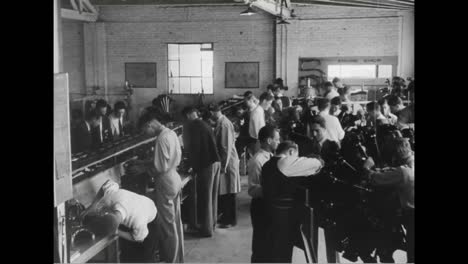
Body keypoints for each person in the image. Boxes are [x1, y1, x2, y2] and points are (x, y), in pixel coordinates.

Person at [126, 112, 184, 262]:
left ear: (149, 125)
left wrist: (143, 169)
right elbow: (165, 159)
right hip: (174, 178)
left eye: (145, 131)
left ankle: (171, 260)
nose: (146, 134)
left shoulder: (161, 138)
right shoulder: (171, 133)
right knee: (174, 222)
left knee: (167, 226)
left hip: (165, 182)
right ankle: (177, 258)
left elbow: (160, 166)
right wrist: (143, 163)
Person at [262, 141, 324, 263]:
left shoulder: (267, 164)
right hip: (284, 217)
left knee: (275, 251)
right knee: (284, 253)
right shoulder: (285, 162)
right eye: (296, 156)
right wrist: (318, 159)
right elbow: (316, 164)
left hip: (270, 213)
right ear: (291, 152)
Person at [363, 137, 414, 263]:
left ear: (395, 156)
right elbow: (396, 171)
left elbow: (374, 179)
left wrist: (367, 167)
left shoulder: (403, 172)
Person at [82, 179, 158, 263]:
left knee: (144, 256)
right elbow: (108, 183)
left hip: (151, 212)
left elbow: (139, 238)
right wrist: (93, 205)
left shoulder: (138, 221)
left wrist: (117, 232)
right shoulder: (112, 196)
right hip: (136, 202)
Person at [182, 106, 221, 237]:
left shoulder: (194, 126)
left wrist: (191, 165)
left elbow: (196, 148)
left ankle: (206, 230)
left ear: (188, 115)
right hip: (215, 162)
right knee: (213, 196)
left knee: (206, 197)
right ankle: (212, 224)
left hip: (207, 164)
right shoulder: (204, 123)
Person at [248, 125, 281, 263]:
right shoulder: (258, 161)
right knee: (261, 245)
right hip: (260, 206)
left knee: (270, 244)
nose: (279, 142)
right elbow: (253, 189)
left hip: (269, 204)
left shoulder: (272, 156)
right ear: (269, 140)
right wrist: (272, 189)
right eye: (277, 139)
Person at [209, 104, 241, 228]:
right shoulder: (220, 122)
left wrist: (224, 165)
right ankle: (226, 218)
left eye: (211, 114)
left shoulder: (224, 124)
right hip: (226, 161)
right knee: (226, 190)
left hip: (228, 161)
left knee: (229, 192)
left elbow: (225, 147)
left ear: (214, 112)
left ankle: (230, 220)